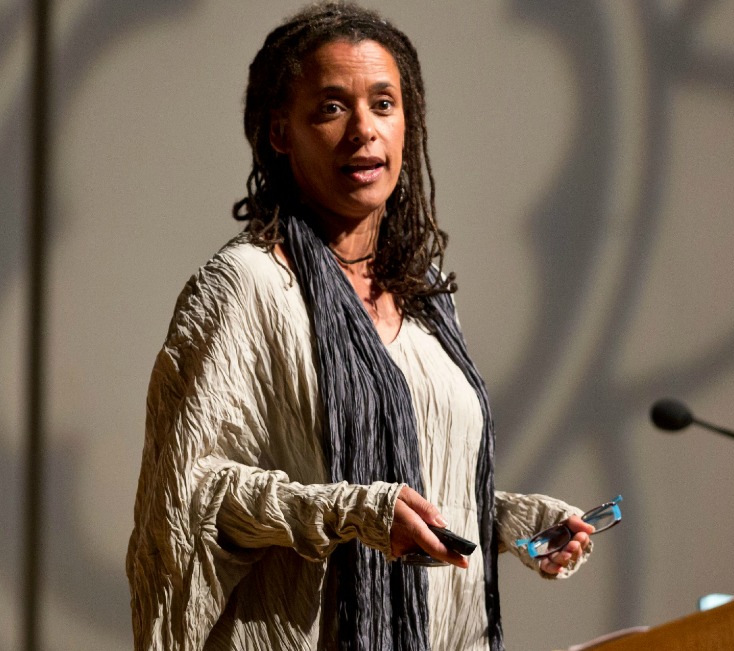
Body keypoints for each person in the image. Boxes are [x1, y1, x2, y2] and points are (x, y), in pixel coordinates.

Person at [127, 3, 598, 649]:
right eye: (330, 107)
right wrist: (355, 512)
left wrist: (509, 521)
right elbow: (191, 496)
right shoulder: (248, 286)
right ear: (279, 133)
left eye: (383, 104)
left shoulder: (424, 292)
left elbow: (412, 475)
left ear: (409, 124)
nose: (363, 132)